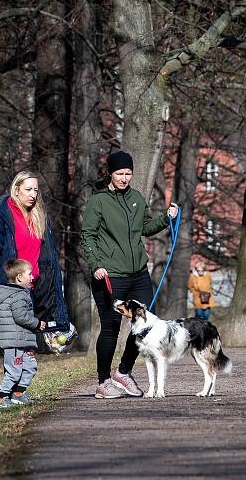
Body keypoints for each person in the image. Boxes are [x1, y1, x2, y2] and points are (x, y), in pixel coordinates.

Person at [81, 150, 179, 399]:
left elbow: (145, 227)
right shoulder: (98, 201)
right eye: (120, 173)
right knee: (110, 330)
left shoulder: (136, 197)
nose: (124, 178)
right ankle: (103, 382)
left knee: (143, 327)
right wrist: (96, 265)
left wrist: (166, 219)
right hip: (109, 275)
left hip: (138, 274)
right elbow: (88, 236)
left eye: (128, 174)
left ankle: (123, 372)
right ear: (110, 174)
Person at [0, 171, 69, 333]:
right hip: (8, 289)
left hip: (34, 290)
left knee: (30, 343)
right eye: (28, 190)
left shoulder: (39, 217)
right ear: (16, 190)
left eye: (35, 190)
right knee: (13, 343)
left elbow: (49, 258)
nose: (33, 194)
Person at [0, 258, 46, 409]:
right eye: (29, 274)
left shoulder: (19, 294)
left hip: (21, 340)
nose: (33, 277)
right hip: (13, 342)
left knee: (30, 366)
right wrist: (37, 323)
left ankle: (18, 394)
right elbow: (21, 316)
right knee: (14, 371)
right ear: (19, 277)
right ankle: (1, 399)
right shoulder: (18, 295)